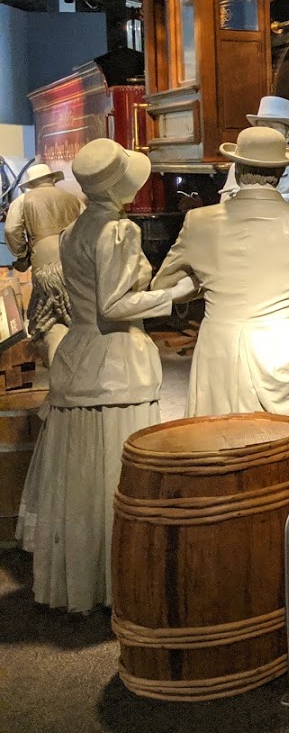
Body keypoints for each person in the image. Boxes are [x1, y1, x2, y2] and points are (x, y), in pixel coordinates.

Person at [15, 140, 195, 612]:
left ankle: (87, 580)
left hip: (79, 356)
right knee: (118, 478)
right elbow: (114, 305)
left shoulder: (74, 231)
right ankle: (123, 582)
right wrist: (176, 294)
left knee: (83, 482)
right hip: (116, 362)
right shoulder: (118, 231)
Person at [153, 126, 289, 440]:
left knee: (217, 446)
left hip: (219, 352)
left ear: (238, 168)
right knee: (278, 452)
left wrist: (205, 282)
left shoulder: (199, 222)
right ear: (281, 173)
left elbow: (164, 286)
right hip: (282, 351)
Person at [3, 161, 84, 359]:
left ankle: (57, 363)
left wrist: (22, 254)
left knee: (47, 320)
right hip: (75, 267)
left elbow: (11, 230)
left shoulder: (23, 201)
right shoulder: (74, 199)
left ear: (31, 184)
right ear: (52, 179)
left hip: (46, 271)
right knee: (78, 317)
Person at [217, 95, 289, 209]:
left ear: (288, 135)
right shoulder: (240, 163)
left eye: (272, 128)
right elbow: (226, 202)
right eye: (261, 128)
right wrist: (286, 197)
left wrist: (248, 197)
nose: (265, 133)